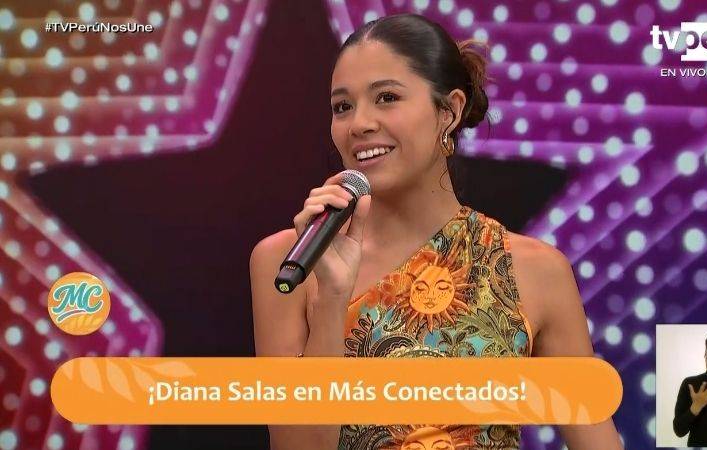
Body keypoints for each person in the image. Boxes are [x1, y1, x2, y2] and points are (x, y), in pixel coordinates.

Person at [250, 13, 622, 450]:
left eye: (387, 97)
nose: (359, 124)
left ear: (449, 111)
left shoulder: (534, 271)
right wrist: (332, 299)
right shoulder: (291, 261)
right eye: (342, 107)